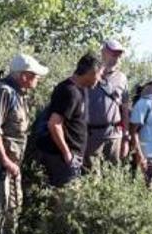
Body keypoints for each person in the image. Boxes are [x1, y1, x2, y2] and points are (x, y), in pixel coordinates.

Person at [0, 53, 48, 234]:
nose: (38, 79)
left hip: (8, 166)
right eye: (35, 75)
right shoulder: (3, 92)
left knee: (11, 209)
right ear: (24, 76)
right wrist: (5, 161)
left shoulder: (18, 94)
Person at [37, 53, 103, 187]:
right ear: (91, 72)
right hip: (62, 158)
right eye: (99, 75)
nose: (100, 79)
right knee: (66, 199)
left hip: (73, 156)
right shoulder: (69, 91)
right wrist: (67, 153)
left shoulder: (81, 90)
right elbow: (54, 124)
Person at [83, 39, 129, 172]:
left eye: (119, 54)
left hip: (114, 135)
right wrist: (101, 69)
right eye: (113, 53)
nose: (117, 57)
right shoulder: (89, 74)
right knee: (91, 177)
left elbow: (125, 108)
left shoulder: (122, 77)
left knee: (112, 175)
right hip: (92, 135)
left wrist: (125, 138)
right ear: (103, 52)